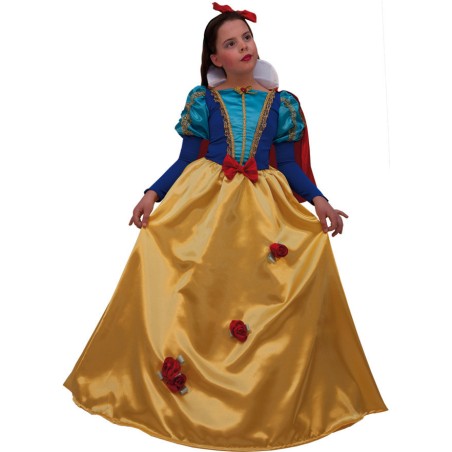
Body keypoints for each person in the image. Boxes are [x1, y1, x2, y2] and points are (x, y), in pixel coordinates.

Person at [64, 3, 388, 450]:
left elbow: (289, 165)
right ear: (216, 58)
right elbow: (186, 159)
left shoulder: (282, 103)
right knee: (202, 288)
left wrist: (320, 201)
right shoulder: (204, 101)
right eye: (231, 43)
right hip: (207, 202)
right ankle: (193, 388)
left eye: (246, 38)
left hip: (264, 205)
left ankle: (266, 395)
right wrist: (153, 193)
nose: (243, 47)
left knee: (272, 287)